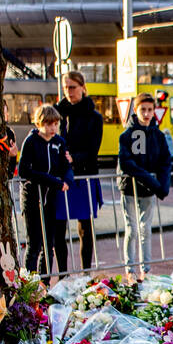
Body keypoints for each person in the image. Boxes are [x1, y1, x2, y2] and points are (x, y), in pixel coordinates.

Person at [117, 93, 172, 280]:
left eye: (150, 110)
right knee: (131, 228)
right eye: (143, 110)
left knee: (145, 228)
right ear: (136, 110)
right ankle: (130, 269)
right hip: (130, 188)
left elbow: (165, 161)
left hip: (149, 190)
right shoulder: (127, 135)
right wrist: (153, 182)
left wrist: (163, 184)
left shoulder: (158, 135)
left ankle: (146, 269)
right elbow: (126, 163)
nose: (147, 114)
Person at [54, 71, 104, 270]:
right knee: (59, 228)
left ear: (83, 87)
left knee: (85, 227)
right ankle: (64, 274)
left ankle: (85, 272)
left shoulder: (94, 117)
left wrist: (74, 157)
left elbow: (93, 150)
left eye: (72, 87)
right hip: (60, 176)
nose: (69, 91)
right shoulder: (57, 113)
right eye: (65, 87)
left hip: (84, 174)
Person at [18, 103, 73, 277]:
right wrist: (53, 181)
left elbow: (66, 166)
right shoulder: (31, 142)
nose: (53, 128)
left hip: (50, 199)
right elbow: (24, 171)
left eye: (55, 124)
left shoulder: (59, 142)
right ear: (39, 124)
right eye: (49, 124)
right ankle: (29, 283)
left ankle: (45, 282)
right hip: (32, 197)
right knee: (34, 244)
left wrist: (67, 180)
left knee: (49, 245)